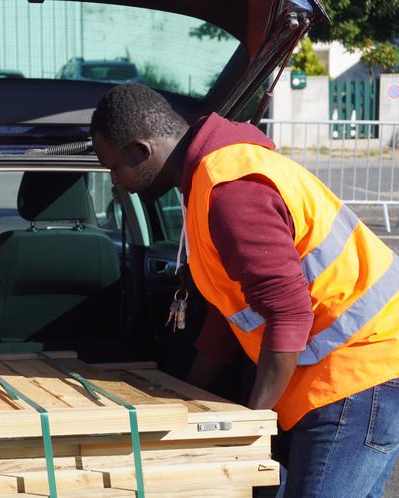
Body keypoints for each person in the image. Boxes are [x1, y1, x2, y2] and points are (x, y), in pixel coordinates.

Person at [90, 83, 399, 497]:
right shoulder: (207, 182)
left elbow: (289, 314)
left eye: (113, 168)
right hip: (341, 373)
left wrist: (247, 424)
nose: (116, 182)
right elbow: (232, 309)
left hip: (359, 372)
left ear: (141, 152)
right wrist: (187, 394)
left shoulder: (231, 188)